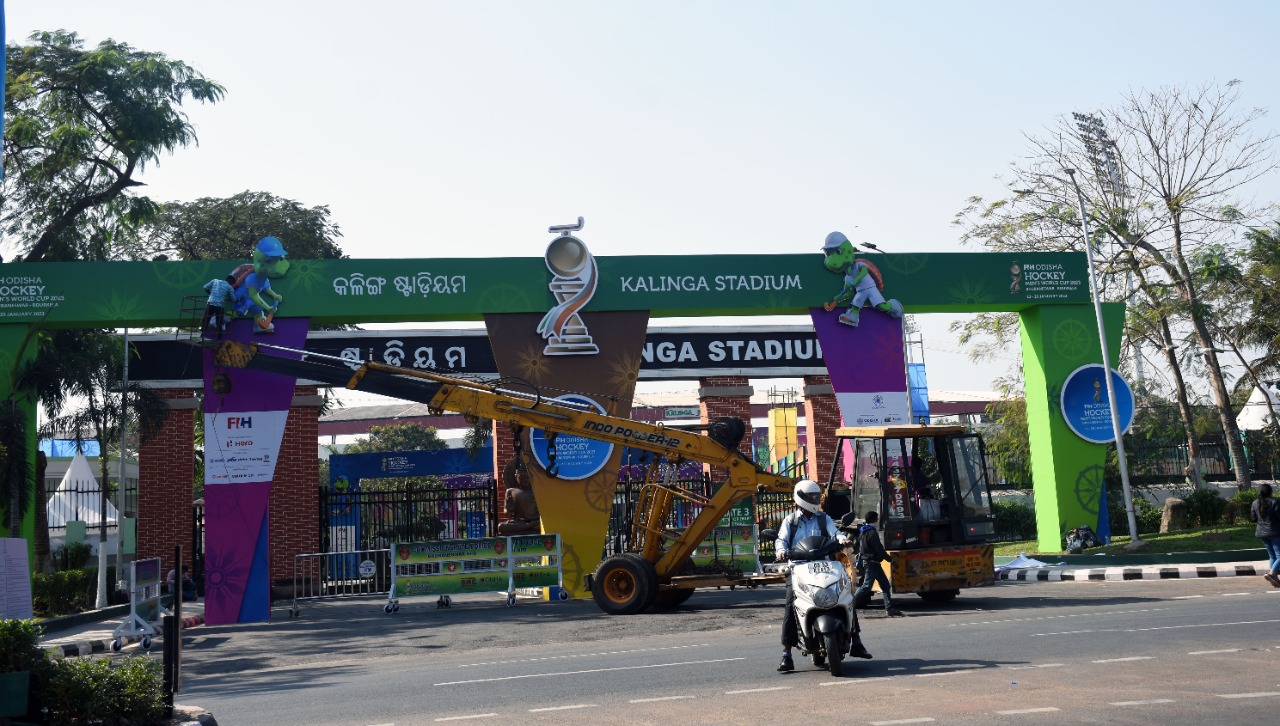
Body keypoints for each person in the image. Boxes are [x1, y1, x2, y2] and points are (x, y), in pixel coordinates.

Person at [774, 479, 871, 672]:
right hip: (799, 568)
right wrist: (781, 551)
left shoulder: (823, 518)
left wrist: (842, 539)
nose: (814, 500)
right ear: (800, 498)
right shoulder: (791, 521)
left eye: (816, 496)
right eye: (810, 497)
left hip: (825, 565)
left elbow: (835, 533)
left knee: (846, 596)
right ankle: (787, 654)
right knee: (790, 606)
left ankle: (857, 640)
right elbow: (781, 540)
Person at [853, 511, 903, 617]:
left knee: (885, 585)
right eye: (877, 518)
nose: (878, 520)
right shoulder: (872, 532)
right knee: (866, 587)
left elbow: (859, 547)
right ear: (874, 520)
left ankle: (889, 609)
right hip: (872, 563)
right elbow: (879, 549)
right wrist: (890, 560)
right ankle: (850, 603)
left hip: (872, 563)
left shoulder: (863, 531)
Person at [1249, 483, 1280, 587]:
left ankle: (1274, 578)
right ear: (1270, 491)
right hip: (1275, 532)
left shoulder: (1255, 503)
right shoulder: (1275, 502)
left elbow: (1253, 518)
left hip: (1262, 532)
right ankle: (1272, 573)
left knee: (1272, 556)